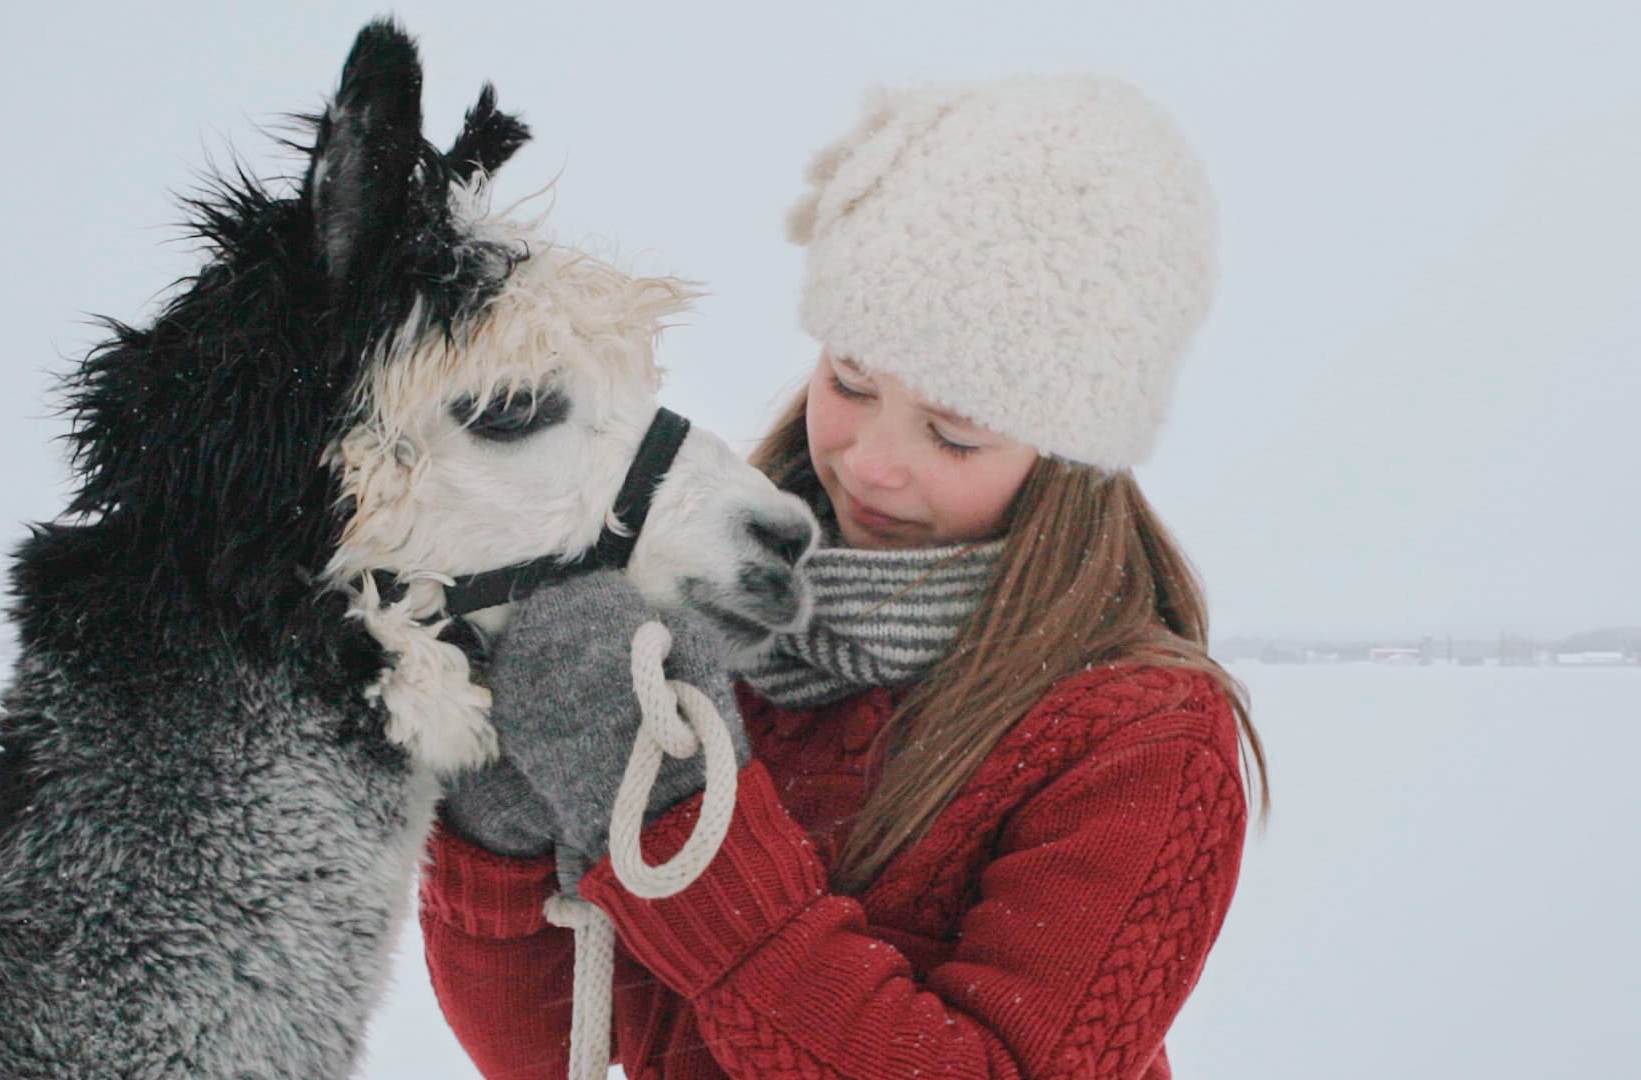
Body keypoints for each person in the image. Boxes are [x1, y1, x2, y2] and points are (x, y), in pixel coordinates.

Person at [420, 76, 1268, 1080]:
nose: (870, 461)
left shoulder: (1144, 744)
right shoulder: (701, 628)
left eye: (954, 435)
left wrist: (682, 823)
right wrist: (502, 832)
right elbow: (559, 1051)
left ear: (1068, 459)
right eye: (850, 384)